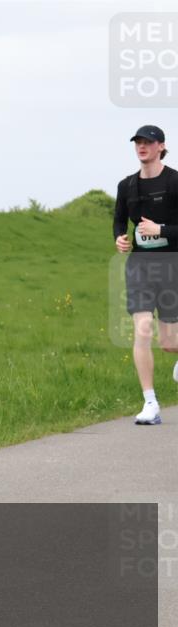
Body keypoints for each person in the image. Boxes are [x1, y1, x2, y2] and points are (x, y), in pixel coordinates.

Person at [113, 125, 178, 425]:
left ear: (161, 147)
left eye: (148, 142)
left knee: (169, 342)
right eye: (138, 142)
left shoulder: (175, 181)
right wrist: (120, 239)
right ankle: (150, 403)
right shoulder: (127, 186)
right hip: (140, 265)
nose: (142, 146)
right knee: (142, 328)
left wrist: (161, 230)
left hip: (171, 265)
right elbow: (118, 223)